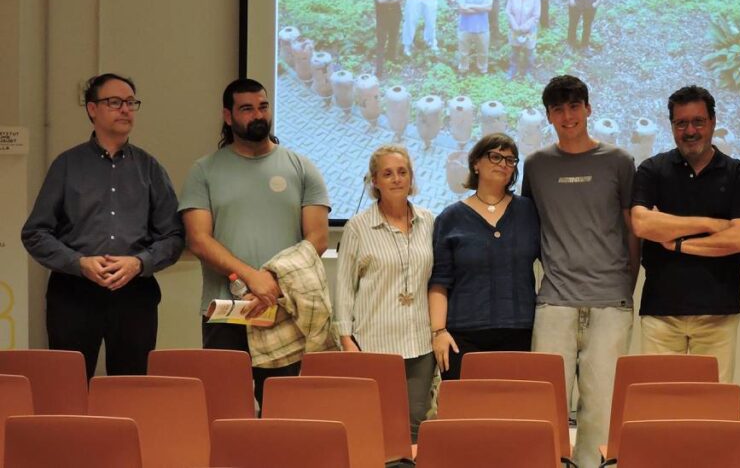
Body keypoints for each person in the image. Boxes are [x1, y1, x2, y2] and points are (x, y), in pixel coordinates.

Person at [179, 78, 330, 407]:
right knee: (223, 408)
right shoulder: (204, 171)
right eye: (247, 108)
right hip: (225, 309)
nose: (258, 114)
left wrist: (273, 281)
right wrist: (251, 277)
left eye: (263, 106)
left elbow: (317, 238)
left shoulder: (301, 167)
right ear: (228, 116)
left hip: (284, 307)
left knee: (287, 410)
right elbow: (199, 239)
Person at [22, 73, 184, 379]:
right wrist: (78, 262)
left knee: (131, 386)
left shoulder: (149, 168)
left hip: (134, 292)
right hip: (74, 292)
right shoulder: (67, 165)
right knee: (67, 386)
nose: (125, 109)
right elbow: (35, 232)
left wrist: (140, 263)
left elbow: (174, 236)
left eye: (131, 102)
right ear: (92, 109)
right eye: (115, 102)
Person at [522, 75, 639, 468]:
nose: (567, 116)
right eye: (558, 109)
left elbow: (631, 229)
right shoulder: (536, 165)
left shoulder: (619, 162)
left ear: (588, 109)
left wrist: (627, 286)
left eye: (574, 106)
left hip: (611, 302)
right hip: (554, 301)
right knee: (546, 405)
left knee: (602, 410)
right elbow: (530, 224)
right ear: (549, 116)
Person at [630, 86, 740, 383]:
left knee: (713, 410)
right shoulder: (652, 170)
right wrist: (713, 225)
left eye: (698, 121)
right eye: (681, 123)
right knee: (659, 408)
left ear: (712, 121)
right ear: (672, 126)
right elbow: (642, 224)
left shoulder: (738, 174)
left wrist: (675, 243)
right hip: (661, 313)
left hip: (718, 314)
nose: (690, 130)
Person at [335, 145, 435, 442]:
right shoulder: (358, 227)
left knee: (415, 424)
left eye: (402, 172)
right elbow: (343, 287)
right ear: (374, 181)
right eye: (387, 173)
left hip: (419, 342)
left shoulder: (429, 221)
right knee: (375, 424)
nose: (396, 179)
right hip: (372, 344)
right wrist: (346, 340)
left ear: (411, 178)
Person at [429, 133, 540, 380]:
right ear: (475, 163)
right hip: (462, 337)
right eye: (495, 156)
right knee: (467, 414)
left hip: (519, 332)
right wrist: (438, 332)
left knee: (513, 414)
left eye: (510, 160)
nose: (503, 164)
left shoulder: (529, 212)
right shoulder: (451, 218)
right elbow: (439, 281)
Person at [369, 0, 406, 77]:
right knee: (381, 41)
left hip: (396, 14)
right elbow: (380, 0)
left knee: (393, 37)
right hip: (382, 16)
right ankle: (379, 69)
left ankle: (391, 57)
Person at [456, 0, 493, 74]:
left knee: (483, 51)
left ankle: (482, 70)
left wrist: (470, 6)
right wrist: (481, 8)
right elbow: (462, 9)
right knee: (463, 52)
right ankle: (463, 69)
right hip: (465, 26)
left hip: (482, 27)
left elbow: (489, 7)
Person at [505, 0, 541, 80]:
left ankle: (528, 72)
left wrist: (525, 27)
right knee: (514, 51)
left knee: (529, 52)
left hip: (529, 29)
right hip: (514, 28)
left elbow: (536, 15)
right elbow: (508, 11)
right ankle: (512, 70)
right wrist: (515, 26)